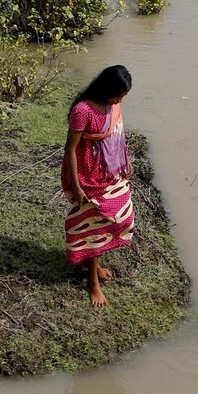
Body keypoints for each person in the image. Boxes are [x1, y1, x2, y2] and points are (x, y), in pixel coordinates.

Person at [60, 64, 135, 307]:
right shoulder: (83, 111)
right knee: (92, 227)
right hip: (88, 176)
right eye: (119, 95)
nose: (120, 100)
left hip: (110, 172)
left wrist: (127, 158)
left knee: (120, 218)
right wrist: (77, 185)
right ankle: (92, 282)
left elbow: (118, 134)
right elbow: (70, 149)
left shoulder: (112, 105)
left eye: (123, 97)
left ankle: (96, 264)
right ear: (106, 89)